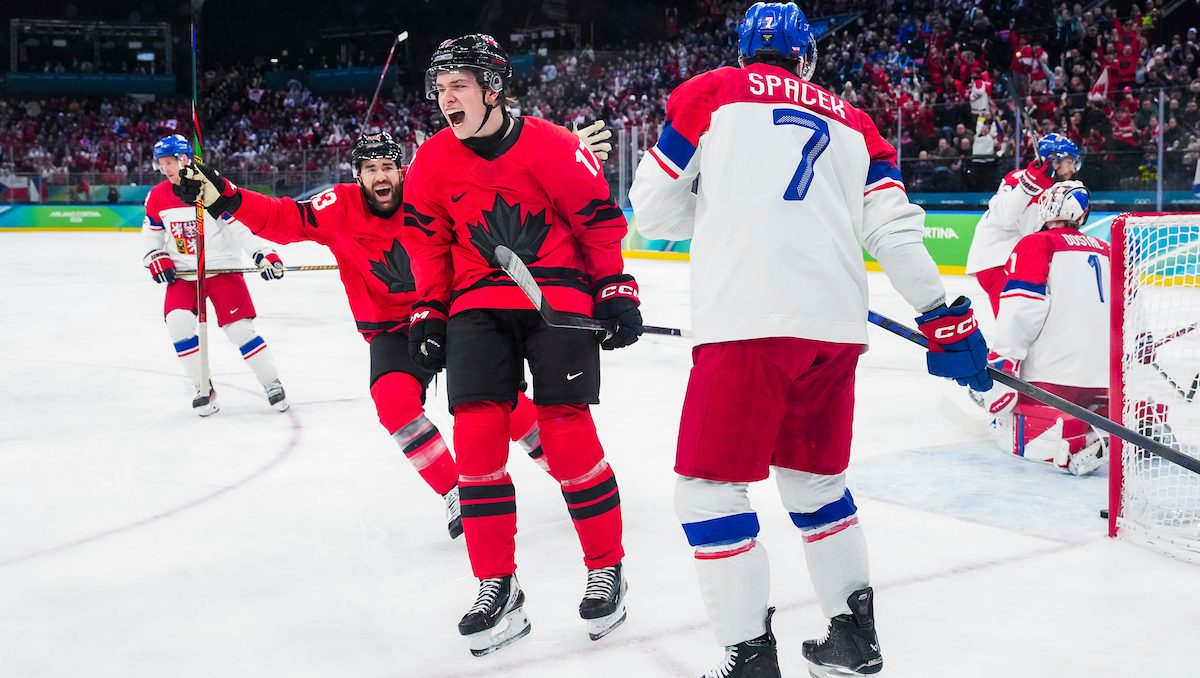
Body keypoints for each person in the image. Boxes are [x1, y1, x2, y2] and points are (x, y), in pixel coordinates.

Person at [627, 4, 992, 677]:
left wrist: (712, 199)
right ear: (807, 59)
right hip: (833, 332)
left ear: (744, 52)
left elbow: (650, 211)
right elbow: (893, 232)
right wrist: (941, 315)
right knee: (817, 484)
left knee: (709, 492)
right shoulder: (857, 122)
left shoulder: (710, 92)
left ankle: (749, 659)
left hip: (746, 323)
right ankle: (854, 639)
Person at [169, 131, 562, 540]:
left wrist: (562, 149)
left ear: (402, 170)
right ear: (357, 176)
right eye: (371, 169)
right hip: (392, 331)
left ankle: (566, 469)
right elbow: (282, 218)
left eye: (388, 167)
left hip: (451, 314)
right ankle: (454, 491)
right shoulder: (337, 206)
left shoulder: (428, 194)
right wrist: (226, 197)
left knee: (504, 404)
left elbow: (492, 192)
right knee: (393, 403)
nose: (380, 176)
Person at [402, 33, 641, 655]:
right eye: (441, 88)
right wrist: (428, 309)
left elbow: (598, 219)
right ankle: (496, 584)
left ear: (493, 88)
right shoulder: (430, 160)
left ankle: (605, 566)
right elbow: (428, 241)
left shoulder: (553, 146)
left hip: (556, 295)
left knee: (564, 429)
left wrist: (615, 289)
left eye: (458, 86)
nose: (445, 98)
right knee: (477, 433)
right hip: (477, 301)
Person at [142, 133, 288, 416]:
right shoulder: (157, 196)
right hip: (183, 274)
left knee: (240, 330)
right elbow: (151, 235)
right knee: (178, 324)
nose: (166, 169)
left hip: (222, 270)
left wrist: (263, 254)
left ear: (186, 159)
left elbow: (240, 226)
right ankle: (202, 387)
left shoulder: (210, 188)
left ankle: (271, 382)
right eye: (161, 163)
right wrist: (155, 257)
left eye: (170, 162)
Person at [980, 181, 1110, 475]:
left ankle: (1070, 437)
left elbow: (1021, 309)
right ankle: (1120, 423)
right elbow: (1130, 311)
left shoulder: (1037, 243)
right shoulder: (1108, 250)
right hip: (1104, 380)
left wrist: (1005, 360)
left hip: (1051, 379)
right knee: (1105, 413)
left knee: (1008, 426)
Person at [965, 133, 1080, 316]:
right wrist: (1029, 185)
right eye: (1070, 161)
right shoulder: (1019, 177)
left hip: (1012, 261)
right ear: (1054, 160)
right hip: (997, 261)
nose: (1073, 168)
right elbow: (1004, 215)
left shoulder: (1051, 189)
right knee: (1013, 324)